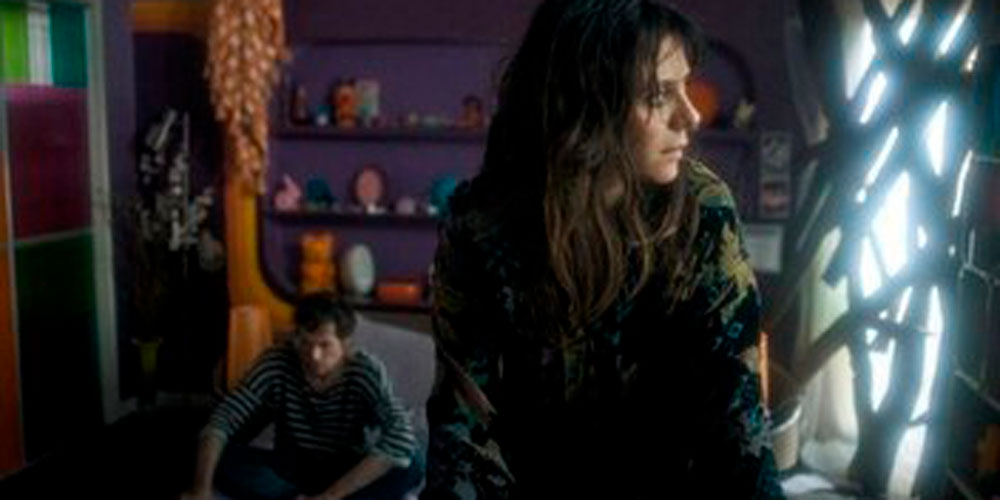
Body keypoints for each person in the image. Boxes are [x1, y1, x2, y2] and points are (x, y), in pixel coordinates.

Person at [422, 0, 784, 498]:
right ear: (586, 103)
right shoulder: (480, 225)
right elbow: (463, 428)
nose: (692, 116)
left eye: (686, 86)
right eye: (659, 95)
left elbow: (736, 418)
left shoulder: (703, 212)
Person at [181, 293, 422, 500]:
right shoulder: (277, 360)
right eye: (305, 343)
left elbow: (401, 435)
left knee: (413, 462)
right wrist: (200, 491)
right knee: (209, 450)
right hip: (290, 467)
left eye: (325, 345)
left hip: (344, 467)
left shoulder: (366, 370)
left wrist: (330, 497)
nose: (313, 355)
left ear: (345, 345)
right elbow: (223, 420)